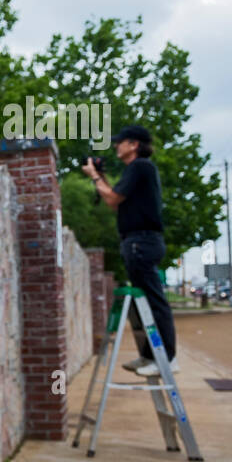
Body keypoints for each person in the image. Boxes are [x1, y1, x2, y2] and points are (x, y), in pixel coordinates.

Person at [82, 125, 177, 375]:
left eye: (120, 142)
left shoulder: (140, 167)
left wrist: (94, 176)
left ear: (134, 144)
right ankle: (150, 356)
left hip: (142, 242)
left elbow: (112, 199)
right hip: (138, 242)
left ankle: (166, 358)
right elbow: (115, 200)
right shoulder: (135, 171)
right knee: (142, 303)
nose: (116, 146)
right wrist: (100, 176)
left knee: (154, 302)